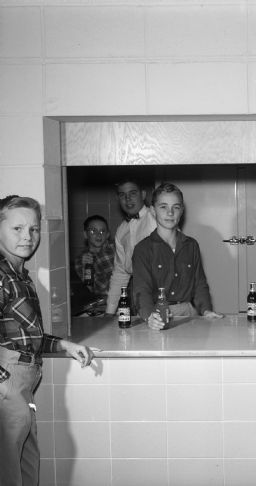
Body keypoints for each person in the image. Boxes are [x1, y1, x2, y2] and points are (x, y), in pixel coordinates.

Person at [0, 195, 96, 486]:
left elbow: (28, 335)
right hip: (9, 385)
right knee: (9, 474)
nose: (27, 237)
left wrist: (65, 345)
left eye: (33, 229)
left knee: (27, 469)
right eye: (17, 229)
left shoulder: (18, 274)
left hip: (23, 385)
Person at [132, 183, 222, 329]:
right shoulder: (142, 249)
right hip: (156, 314)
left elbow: (200, 284)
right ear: (153, 211)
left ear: (182, 211)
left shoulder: (191, 245)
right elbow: (142, 290)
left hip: (189, 313)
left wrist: (206, 310)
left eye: (176, 207)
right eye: (163, 207)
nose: (170, 212)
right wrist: (149, 316)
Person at [105, 178, 156, 315]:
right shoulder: (121, 231)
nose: (128, 199)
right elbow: (120, 273)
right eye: (122, 195)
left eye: (133, 193)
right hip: (137, 296)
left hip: (162, 295)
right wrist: (109, 312)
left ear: (143, 195)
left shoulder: (157, 217)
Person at [73, 214, 115, 297]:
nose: (99, 235)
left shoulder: (116, 248)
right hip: (102, 303)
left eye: (102, 231)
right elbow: (89, 290)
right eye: (93, 231)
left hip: (124, 299)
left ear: (108, 235)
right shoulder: (81, 260)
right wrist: (87, 269)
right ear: (85, 234)